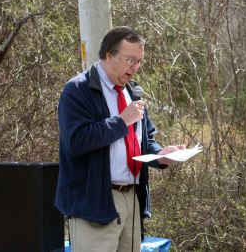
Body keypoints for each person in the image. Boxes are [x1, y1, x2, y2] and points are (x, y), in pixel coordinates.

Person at [55, 26, 185, 252]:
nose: (135, 68)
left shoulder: (131, 92)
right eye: (130, 60)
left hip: (131, 198)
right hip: (95, 201)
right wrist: (121, 121)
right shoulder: (78, 89)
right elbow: (76, 142)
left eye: (139, 61)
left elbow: (145, 140)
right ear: (108, 54)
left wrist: (161, 155)